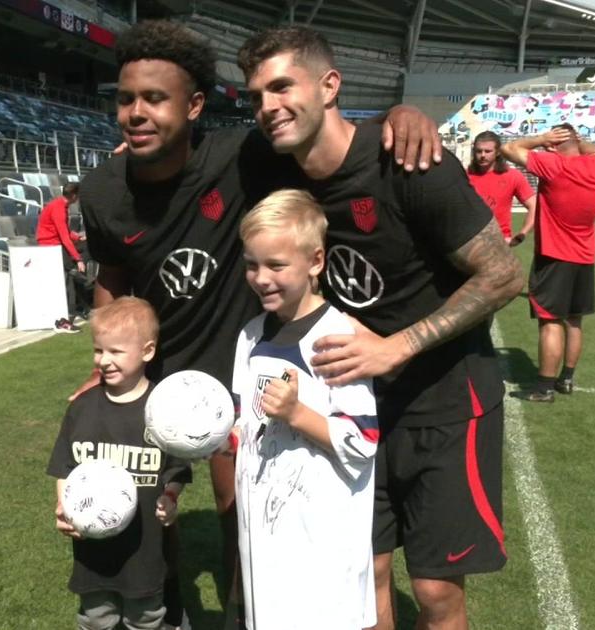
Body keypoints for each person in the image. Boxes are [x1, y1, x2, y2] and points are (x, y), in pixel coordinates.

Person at [76, 20, 440, 629]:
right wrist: (107, 359)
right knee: (143, 510)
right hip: (156, 375)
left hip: (232, 372)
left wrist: (400, 114)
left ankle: (246, 613)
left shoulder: (242, 157)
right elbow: (112, 278)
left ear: (194, 106)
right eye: (125, 98)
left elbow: (326, 131)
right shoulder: (102, 189)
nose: (135, 113)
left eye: (154, 99)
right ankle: (160, 616)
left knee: (239, 516)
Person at [237, 27, 524, 630]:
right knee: (367, 585)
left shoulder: (410, 161)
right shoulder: (276, 171)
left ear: (330, 84)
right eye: (257, 93)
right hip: (352, 410)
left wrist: (397, 347)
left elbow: (502, 274)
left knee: (437, 592)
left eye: (283, 86)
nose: (268, 106)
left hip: (445, 403)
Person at [230, 189, 379, 629]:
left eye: (276, 265)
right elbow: (245, 424)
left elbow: (364, 439)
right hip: (262, 527)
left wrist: (297, 415)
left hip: (320, 536)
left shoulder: (340, 337)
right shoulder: (251, 335)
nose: (261, 278)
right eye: (252, 265)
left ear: (315, 262)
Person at [47, 296, 191, 630]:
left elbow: (177, 469)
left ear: (147, 351)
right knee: (97, 618)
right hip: (93, 554)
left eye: (116, 351)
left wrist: (170, 497)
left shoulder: (162, 411)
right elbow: (65, 468)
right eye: (99, 350)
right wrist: (64, 506)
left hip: (145, 552)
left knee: (146, 619)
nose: (104, 360)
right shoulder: (81, 409)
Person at [500, 124, 595, 402]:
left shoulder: (556, 165)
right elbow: (594, 150)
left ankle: (544, 388)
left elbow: (509, 149)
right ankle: (566, 379)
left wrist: (541, 139)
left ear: (553, 146)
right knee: (574, 321)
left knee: (550, 322)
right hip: (584, 256)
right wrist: (573, 140)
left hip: (555, 256)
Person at [467, 131, 536, 246]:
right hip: (468, 244)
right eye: (479, 151)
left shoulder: (512, 176)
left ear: (498, 152)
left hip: (499, 244)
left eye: (488, 151)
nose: (483, 155)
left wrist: (522, 234)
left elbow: (534, 206)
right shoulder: (464, 176)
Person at [35, 182, 89, 331]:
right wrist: (77, 259)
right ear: (73, 195)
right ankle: (66, 318)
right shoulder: (59, 209)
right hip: (52, 247)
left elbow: (64, 232)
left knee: (70, 279)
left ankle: (74, 311)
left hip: (53, 245)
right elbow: (64, 237)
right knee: (68, 280)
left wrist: (77, 238)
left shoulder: (58, 205)